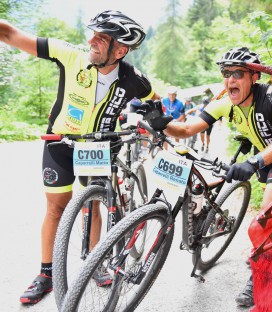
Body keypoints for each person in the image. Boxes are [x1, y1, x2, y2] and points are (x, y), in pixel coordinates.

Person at [0, 10, 161, 304]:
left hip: (99, 147)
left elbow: (155, 100)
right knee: (55, 208)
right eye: (93, 35)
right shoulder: (71, 55)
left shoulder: (134, 79)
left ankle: (95, 263)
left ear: (120, 49)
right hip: (60, 144)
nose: (91, 41)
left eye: (101, 38)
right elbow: (10, 34)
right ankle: (45, 274)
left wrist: (152, 119)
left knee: (93, 203)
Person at [142, 47, 272, 308]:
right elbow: (187, 128)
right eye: (226, 73)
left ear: (254, 77)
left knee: (264, 223)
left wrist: (254, 161)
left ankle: (259, 281)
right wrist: (161, 122)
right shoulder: (226, 101)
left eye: (238, 73)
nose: (231, 79)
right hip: (263, 158)